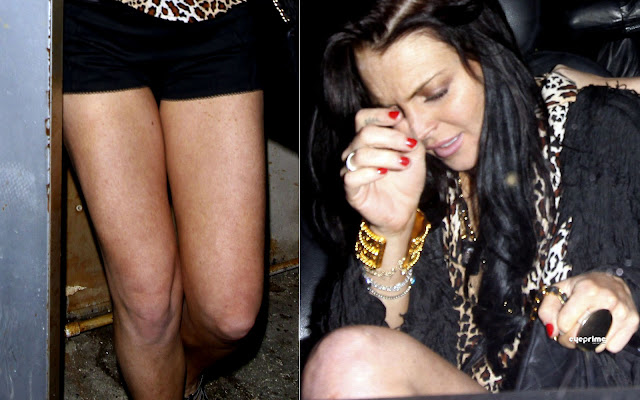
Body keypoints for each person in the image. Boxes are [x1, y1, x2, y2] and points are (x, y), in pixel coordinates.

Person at [302, 0, 640, 397]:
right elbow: (367, 357)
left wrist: (617, 294)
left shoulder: (596, 133)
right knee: (347, 360)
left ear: (487, 54)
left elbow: (612, 334)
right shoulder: (413, 182)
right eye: (392, 110)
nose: (420, 130)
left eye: (435, 93)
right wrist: (390, 233)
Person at [62, 0, 265, 399]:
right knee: (148, 306)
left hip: (217, 18)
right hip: (95, 22)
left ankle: (180, 377)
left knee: (230, 315)